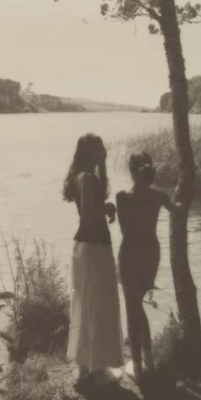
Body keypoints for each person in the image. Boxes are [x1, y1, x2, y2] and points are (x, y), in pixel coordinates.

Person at [115, 152, 187, 377]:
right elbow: (179, 210)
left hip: (129, 253)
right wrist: (182, 198)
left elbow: (125, 230)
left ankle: (138, 365)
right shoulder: (160, 196)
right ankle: (148, 359)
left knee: (132, 307)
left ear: (131, 170)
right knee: (137, 306)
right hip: (150, 254)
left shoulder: (121, 197)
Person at [64, 134, 123, 379]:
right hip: (94, 246)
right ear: (88, 152)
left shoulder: (82, 176)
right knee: (98, 305)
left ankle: (86, 368)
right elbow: (89, 215)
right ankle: (96, 370)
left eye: (102, 148)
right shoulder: (87, 178)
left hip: (85, 246)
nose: (102, 152)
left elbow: (87, 212)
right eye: (97, 149)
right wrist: (108, 208)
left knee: (89, 304)